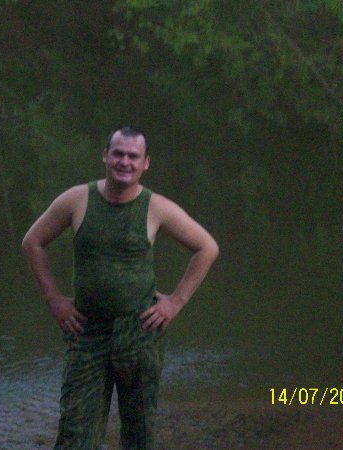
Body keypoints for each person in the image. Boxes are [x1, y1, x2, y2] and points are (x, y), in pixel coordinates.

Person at [21, 126, 219, 449]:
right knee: (75, 435)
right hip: (87, 331)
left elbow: (207, 248)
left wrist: (175, 302)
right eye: (118, 154)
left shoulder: (156, 207)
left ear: (145, 163)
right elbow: (33, 242)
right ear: (105, 156)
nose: (124, 162)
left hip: (139, 332)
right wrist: (54, 299)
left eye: (133, 156)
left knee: (139, 433)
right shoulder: (77, 199)